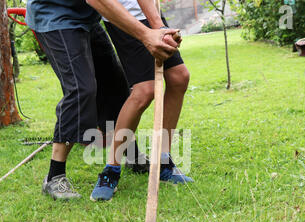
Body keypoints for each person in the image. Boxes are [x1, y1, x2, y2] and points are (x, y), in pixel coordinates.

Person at [25, 0, 180, 200]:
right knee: (81, 89)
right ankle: (54, 176)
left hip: (88, 17)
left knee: (115, 84)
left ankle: (133, 157)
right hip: (54, 17)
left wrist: (158, 27)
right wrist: (145, 35)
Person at [90, 0, 193, 202]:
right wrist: (150, 31)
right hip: (124, 16)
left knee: (179, 77)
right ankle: (111, 169)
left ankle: (163, 163)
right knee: (144, 91)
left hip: (149, 11)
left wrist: (159, 26)